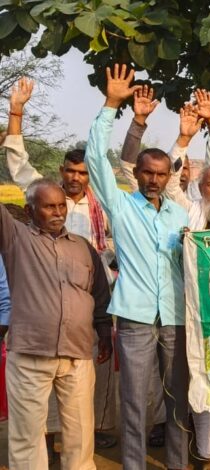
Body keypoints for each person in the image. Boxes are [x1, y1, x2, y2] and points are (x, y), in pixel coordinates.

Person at [1, 77, 119, 452]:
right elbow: (18, 162)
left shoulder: (103, 208)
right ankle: (47, 442)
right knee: (36, 407)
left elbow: (109, 254)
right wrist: (16, 112)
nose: (74, 178)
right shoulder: (43, 197)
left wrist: (102, 317)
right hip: (40, 313)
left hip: (88, 309)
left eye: (82, 173)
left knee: (85, 393)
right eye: (70, 171)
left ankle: (90, 436)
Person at [84, 64, 190, 470]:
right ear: (137, 172)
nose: (154, 179)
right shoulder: (121, 205)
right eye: (147, 172)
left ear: (168, 176)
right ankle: (134, 465)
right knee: (133, 400)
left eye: (161, 174)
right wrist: (112, 104)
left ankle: (178, 463)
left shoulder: (180, 215)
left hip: (175, 317)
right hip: (134, 317)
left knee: (178, 398)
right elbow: (95, 158)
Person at [0, 178, 112, 469]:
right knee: (27, 435)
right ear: (30, 210)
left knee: (81, 434)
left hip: (77, 354)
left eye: (62, 206)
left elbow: (99, 293)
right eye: (49, 207)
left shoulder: (82, 247)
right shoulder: (16, 239)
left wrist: (104, 332)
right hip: (31, 354)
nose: (58, 212)